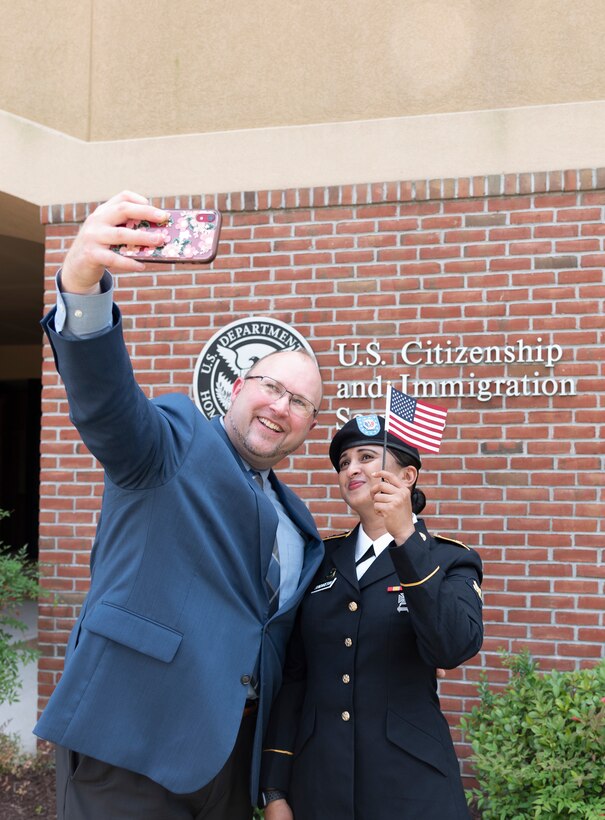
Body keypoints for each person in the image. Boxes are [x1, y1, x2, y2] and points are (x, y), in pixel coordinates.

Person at [34, 191, 325, 820]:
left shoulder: (299, 521)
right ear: (238, 387)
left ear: (308, 426)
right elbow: (109, 407)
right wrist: (83, 286)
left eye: (300, 403)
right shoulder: (174, 440)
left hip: (228, 759)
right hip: (131, 742)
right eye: (272, 386)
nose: (282, 406)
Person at [260, 415, 484, 820]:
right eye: (344, 462)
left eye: (366, 457)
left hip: (412, 788)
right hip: (320, 786)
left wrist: (405, 540)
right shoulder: (322, 558)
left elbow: (451, 647)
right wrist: (274, 788)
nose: (352, 469)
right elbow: (295, 677)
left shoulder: (449, 558)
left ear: (408, 475)